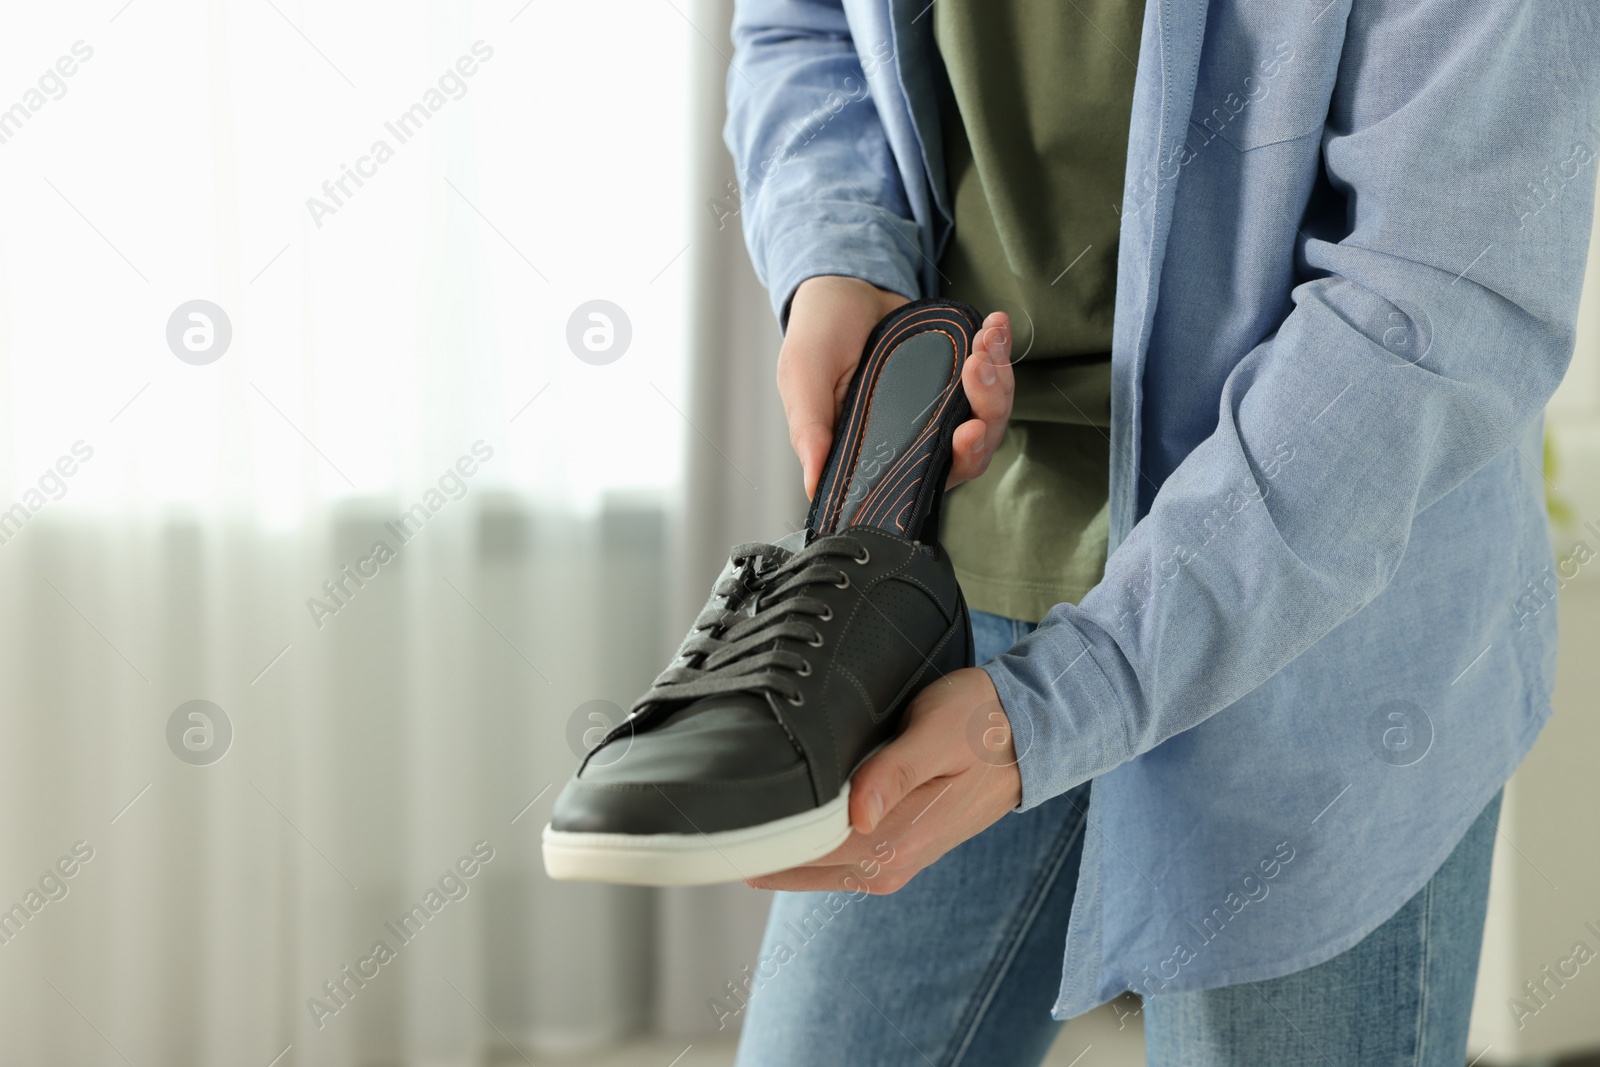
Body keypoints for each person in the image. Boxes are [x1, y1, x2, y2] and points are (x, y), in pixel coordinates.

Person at [720, 0, 1600, 1063]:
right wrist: (838, 254)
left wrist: (1069, 697)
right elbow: (806, 25)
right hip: (960, 561)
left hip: (1316, 631)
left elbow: (1429, 305)